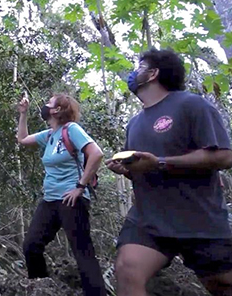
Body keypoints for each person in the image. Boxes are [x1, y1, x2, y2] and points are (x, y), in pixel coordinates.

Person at [106, 48, 232, 296]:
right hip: (149, 219)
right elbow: (142, 167)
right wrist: (127, 170)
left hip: (199, 220)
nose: (133, 73)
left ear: (153, 73)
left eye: (138, 67)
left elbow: (225, 156)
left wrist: (160, 162)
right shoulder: (134, 123)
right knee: (128, 269)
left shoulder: (192, 105)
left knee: (223, 285)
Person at [17, 93, 107, 296]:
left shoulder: (71, 130)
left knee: (82, 252)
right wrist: (24, 114)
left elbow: (96, 153)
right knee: (32, 244)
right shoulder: (49, 135)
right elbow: (22, 139)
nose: (45, 105)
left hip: (71, 198)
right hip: (50, 200)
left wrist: (80, 186)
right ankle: (40, 288)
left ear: (57, 110)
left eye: (49, 102)